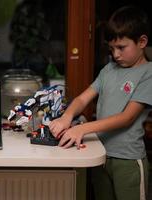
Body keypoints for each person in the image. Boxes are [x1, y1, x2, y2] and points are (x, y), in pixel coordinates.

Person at [48, 5, 152, 200]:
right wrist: (66, 117)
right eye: (112, 48)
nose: (116, 55)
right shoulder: (108, 70)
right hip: (100, 154)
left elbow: (126, 118)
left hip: (128, 160)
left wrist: (81, 129)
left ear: (142, 42)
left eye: (121, 47)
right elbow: (82, 98)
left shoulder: (148, 74)